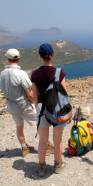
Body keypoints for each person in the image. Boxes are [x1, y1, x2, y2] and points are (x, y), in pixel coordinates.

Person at [31, 43, 67, 177]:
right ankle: (58, 164)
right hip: (57, 108)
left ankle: (41, 166)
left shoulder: (35, 74)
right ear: (52, 55)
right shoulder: (59, 72)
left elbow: (34, 97)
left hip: (41, 109)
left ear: (40, 56)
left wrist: (37, 108)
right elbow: (64, 93)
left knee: (43, 141)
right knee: (57, 140)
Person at [0, 48, 36, 157]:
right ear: (19, 59)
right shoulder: (21, 74)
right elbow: (29, 93)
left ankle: (24, 147)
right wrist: (35, 102)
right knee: (40, 123)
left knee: (19, 126)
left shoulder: (2, 74)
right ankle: (47, 145)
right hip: (24, 105)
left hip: (11, 106)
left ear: (8, 59)